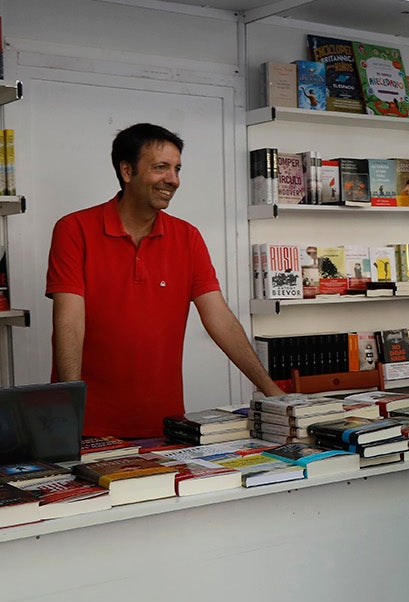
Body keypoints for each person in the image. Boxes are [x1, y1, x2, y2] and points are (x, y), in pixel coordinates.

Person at [47, 123, 284, 438]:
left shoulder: (187, 237)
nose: (172, 180)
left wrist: (272, 392)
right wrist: (70, 407)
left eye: (177, 169)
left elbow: (220, 319)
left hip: (164, 424)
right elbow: (69, 321)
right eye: (161, 168)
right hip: (87, 424)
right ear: (127, 171)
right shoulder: (74, 229)